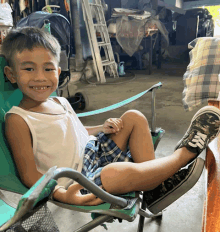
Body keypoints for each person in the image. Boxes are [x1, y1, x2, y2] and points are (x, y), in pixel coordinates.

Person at [2, 27, 220, 207]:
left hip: (94, 151)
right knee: (113, 173)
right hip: (78, 180)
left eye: (48, 69)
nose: (40, 77)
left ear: (58, 72)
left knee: (133, 117)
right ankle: (184, 154)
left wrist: (101, 128)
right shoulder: (18, 119)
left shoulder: (60, 101)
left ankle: (153, 189)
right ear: (11, 74)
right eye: (29, 69)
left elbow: (76, 132)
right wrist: (60, 193)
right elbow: (29, 175)